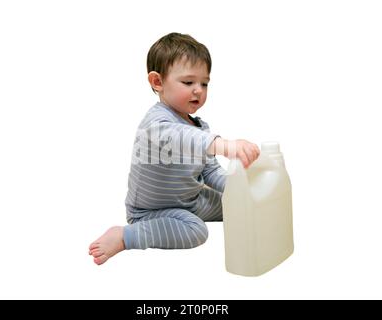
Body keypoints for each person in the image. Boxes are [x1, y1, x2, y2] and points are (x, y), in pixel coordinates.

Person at [89, 32, 259, 265]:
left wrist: (239, 187)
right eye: (188, 82)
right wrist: (224, 145)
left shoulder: (200, 128)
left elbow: (209, 171)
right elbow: (181, 138)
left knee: (237, 203)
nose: (198, 90)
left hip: (191, 200)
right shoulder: (156, 123)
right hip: (151, 211)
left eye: (204, 83)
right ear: (158, 82)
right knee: (196, 231)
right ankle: (125, 236)